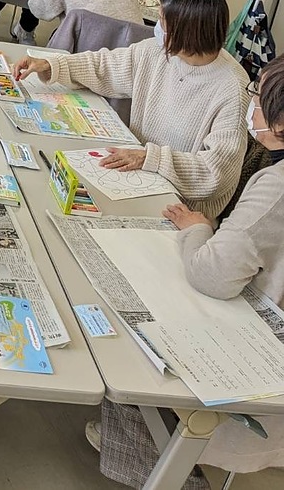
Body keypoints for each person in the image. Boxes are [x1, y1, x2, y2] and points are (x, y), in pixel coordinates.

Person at [88, 53, 284, 488]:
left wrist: (199, 229)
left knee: (125, 337)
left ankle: (170, 469)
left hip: (259, 343)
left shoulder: (275, 183)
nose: (251, 104)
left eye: (259, 96)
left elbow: (212, 275)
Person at [14, 0, 249, 218]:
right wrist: (51, 64)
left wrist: (150, 158)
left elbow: (215, 174)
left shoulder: (232, 88)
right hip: (133, 173)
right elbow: (104, 67)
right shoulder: (158, 51)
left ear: (187, 33)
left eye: (162, 23)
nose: (157, 28)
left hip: (180, 206)